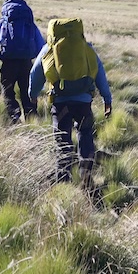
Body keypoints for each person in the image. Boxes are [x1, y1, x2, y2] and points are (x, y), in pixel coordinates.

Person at [28, 17, 112, 204]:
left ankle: (63, 182)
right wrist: (107, 99)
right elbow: (100, 73)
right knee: (85, 134)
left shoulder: (48, 50)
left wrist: (32, 95)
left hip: (60, 103)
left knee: (62, 140)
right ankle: (86, 177)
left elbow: (35, 75)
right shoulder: (86, 48)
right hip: (84, 102)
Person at [0, 0, 45, 123]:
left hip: (8, 64)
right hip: (27, 65)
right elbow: (42, 48)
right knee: (27, 93)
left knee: (8, 93)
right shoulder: (31, 26)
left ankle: (14, 119)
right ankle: (32, 122)